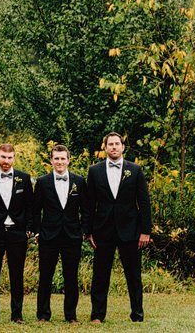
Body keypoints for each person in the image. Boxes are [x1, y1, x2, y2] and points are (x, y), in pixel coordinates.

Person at [87, 132, 151, 323]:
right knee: (100, 276)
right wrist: (89, 231)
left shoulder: (136, 170)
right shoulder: (94, 171)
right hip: (102, 231)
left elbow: (144, 202)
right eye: (110, 144)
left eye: (117, 144)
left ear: (123, 147)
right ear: (105, 148)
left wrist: (145, 231)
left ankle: (137, 315)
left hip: (130, 230)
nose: (114, 147)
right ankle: (97, 315)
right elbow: (90, 204)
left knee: (133, 275)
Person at [0, 143, 33, 324]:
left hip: (17, 233)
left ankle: (17, 314)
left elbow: (30, 207)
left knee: (16, 274)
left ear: (14, 158)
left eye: (9, 158)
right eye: (3, 157)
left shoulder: (24, 179)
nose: (6, 161)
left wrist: (27, 230)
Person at [32, 144, 88, 323]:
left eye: (63, 158)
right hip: (48, 236)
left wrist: (83, 231)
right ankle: (43, 314)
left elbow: (86, 210)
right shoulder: (42, 182)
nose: (60, 162)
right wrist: (37, 231)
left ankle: (71, 315)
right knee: (45, 276)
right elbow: (35, 209)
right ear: (51, 161)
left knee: (71, 276)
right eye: (56, 158)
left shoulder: (79, 182)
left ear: (69, 160)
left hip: (72, 236)